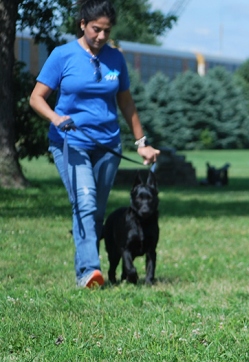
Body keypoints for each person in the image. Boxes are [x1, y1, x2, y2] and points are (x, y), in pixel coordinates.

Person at [30, 0, 160, 289]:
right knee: (85, 202)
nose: (101, 36)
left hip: (108, 146)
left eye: (106, 31)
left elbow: (125, 101)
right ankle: (90, 271)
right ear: (82, 24)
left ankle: (89, 270)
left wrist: (141, 143)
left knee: (96, 210)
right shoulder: (62, 55)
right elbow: (36, 97)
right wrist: (55, 117)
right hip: (70, 141)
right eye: (95, 29)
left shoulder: (115, 58)